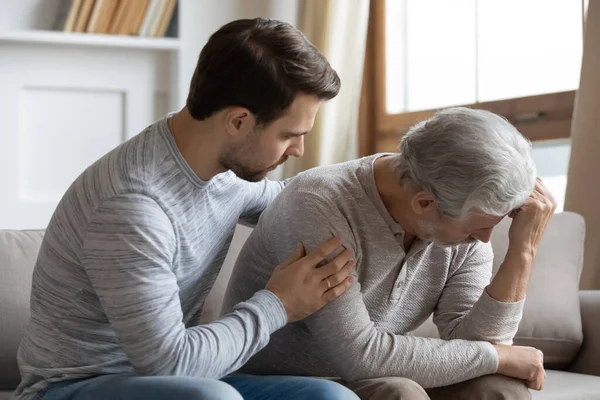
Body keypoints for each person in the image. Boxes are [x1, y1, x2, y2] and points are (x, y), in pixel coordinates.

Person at [13, 18, 359, 400]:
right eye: (289, 135)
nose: (298, 152)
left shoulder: (228, 174)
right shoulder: (133, 207)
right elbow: (169, 365)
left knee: (332, 398)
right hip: (74, 386)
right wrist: (281, 303)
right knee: (213, 398)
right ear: (239, 121)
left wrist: (383, 177)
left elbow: (302, 199)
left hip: (185, 381)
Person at [224, 107, 558, 400]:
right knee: (400, 393)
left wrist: (522, 252)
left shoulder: (464, 224)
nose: (484, 240)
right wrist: (497, 357)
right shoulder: (320, 204)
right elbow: (359, 355)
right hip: (280, 383)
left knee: (499, 389)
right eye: (475, 228)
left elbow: (478, 345)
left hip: (369, 380)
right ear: (424, 203)